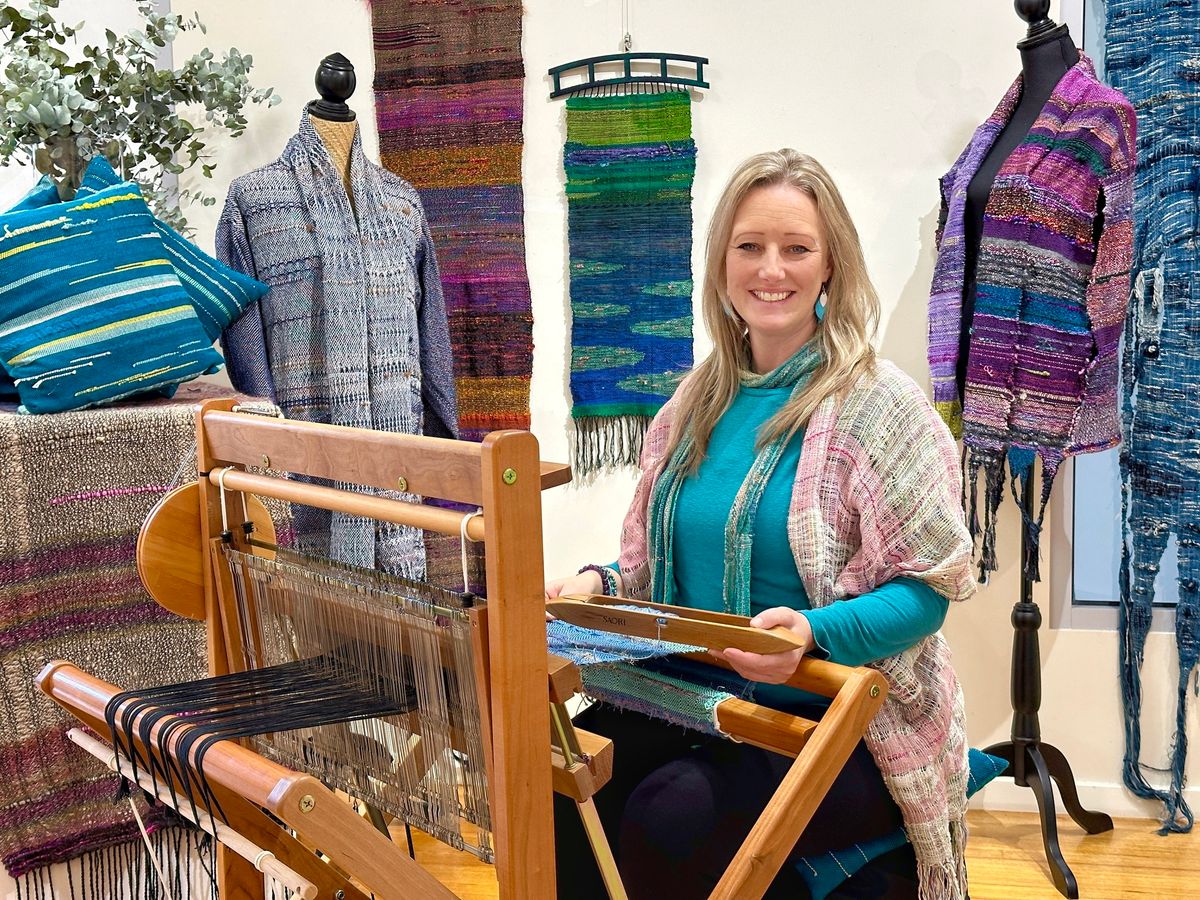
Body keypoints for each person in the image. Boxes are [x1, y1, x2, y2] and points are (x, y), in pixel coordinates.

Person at [547, 149, 976, 899]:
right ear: (721, 266)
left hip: (840, 719)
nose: (770, 269)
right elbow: (654, 574)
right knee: (559, 791)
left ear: (830, 266)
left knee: (667, 818)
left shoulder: (881, 408)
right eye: (749, 247)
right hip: (696, 697)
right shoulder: (690, 407)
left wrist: (812, 632)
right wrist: (598, 582)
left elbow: (927, 593)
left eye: (796, 248)